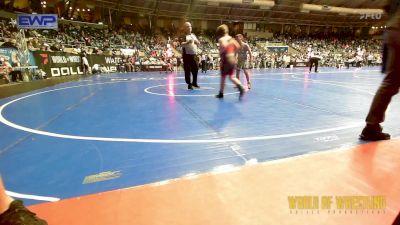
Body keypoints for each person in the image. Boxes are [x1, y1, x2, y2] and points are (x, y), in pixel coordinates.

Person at [359, 0, 400, 141]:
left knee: (391, 82)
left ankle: (371, 126)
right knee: (391, 82)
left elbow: (387, 5)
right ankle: (371, 126)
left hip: (393, 30)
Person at [215, 24, 245, 100]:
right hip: (232, 59)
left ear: (220, 33)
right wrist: (233, 52)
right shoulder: (232, 39)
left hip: (226, 59)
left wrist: (221, 55)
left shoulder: (222, 39)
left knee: (223, 77)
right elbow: (238, 46)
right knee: (232, 77)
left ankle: (221, 93)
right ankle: (240, 87)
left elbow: (224, 47)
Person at [180, 22, 200, 90]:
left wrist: (198, 42)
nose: (190, 27)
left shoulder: (193, 35)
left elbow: (198, 43)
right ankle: (189, 84)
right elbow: (181, 44)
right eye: (188, 26)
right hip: (187, 55)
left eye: (190, 26)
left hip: (194, 54)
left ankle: (194, 82)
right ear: (185, 28)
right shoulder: (183, 35)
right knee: (187, 70)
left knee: (196, 68)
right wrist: (187, 42)